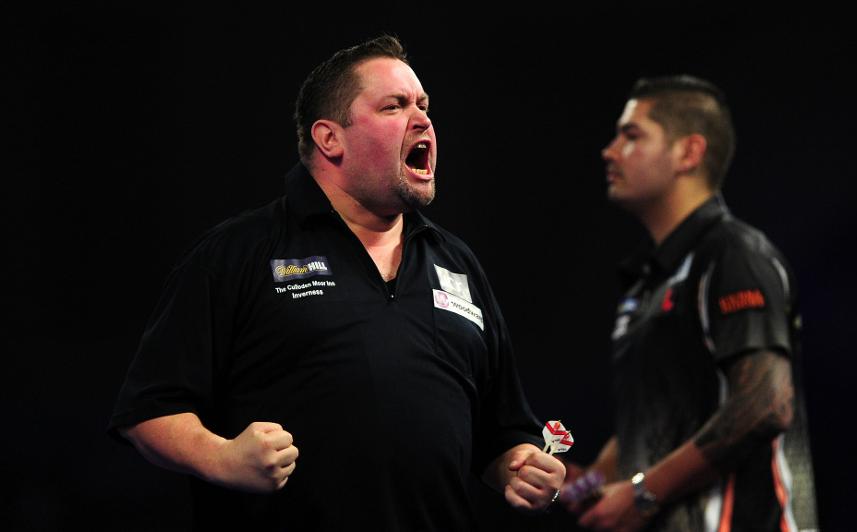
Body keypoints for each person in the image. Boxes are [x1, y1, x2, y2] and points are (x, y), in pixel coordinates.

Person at [108, 35, 565, 531]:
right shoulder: (238, 252)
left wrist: (519, 466)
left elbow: (501, 432)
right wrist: (223, 457)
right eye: (394, 106)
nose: (422, 120)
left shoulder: (457, 263)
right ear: (330, 139)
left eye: (423, 105)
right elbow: (148, 410)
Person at [563, 76, 818, 531]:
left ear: (689, 152)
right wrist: (586, 482)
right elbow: (657, 420)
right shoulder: (647, 284)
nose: (609, 151)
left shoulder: (735, 255)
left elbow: (765, 404)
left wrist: (641, 494)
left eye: (631, 135)